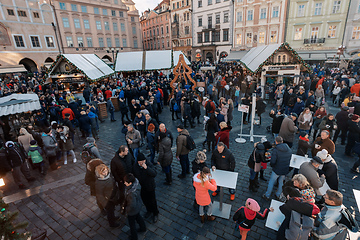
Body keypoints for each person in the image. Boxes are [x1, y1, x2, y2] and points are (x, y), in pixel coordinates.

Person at [263, 136, 292, 201]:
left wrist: (272, 165)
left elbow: (273, 161)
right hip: (284, 169)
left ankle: (267, 195)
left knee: (271, 182)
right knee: (281, 182)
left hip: (277, 169)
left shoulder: (276, 150)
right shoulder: (289, 149)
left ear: (276, 142)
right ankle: (278, 194)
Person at [133, 153, 159, 223]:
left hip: (150, 186)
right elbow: (136, 175)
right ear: (138, 161)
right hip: (143, 186)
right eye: (141, 161)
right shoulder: (135, 166)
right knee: (145, 199)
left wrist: (147, 168)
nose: (142, 163)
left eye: (143, 161)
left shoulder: (148, 163)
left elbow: (154, 173)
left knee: (152, 201)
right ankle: (149, 210)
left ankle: (155, 213)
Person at [123, 173, 146, 240]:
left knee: (132, 224)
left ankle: (134, 237)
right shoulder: (136, 184)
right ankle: (143, 228)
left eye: (125, 182)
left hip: (132, 211)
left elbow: (132, 205)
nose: (124, 183)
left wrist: (127, 209)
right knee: (138, 217)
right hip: (138, 206)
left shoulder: (131, 193)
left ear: (130, 183)